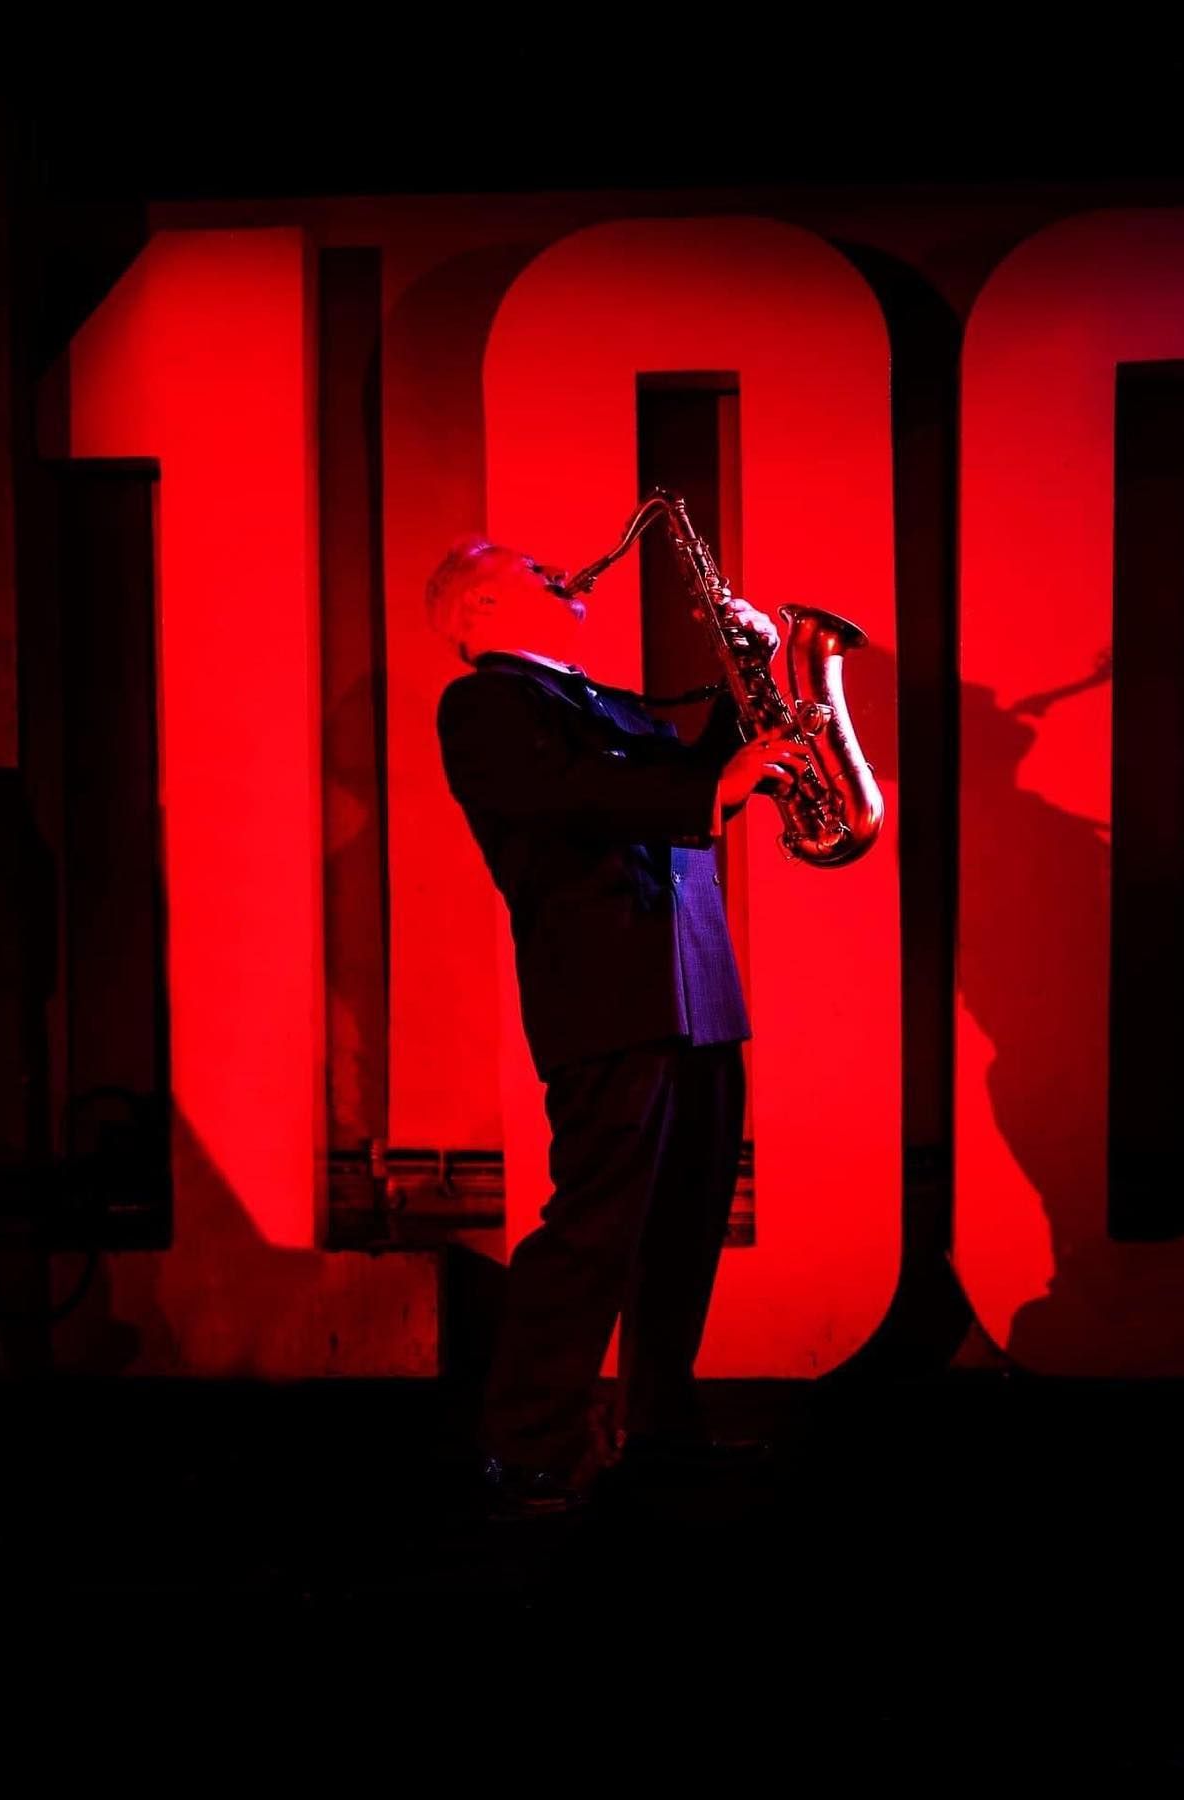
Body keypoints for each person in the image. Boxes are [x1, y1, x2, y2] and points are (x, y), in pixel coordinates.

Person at [427, 535, 805, 1519]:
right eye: (535, 574)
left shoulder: (602, 701)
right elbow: (572, 798)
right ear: (479, 614)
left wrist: (749, 668)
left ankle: (659, 1432)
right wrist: (708, 785)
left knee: (683, 1225)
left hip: (694, 985)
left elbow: (699, 777)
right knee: (596, 1227)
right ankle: (529, 1448)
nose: (565, 575)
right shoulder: (487, 704)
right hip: (607, 993)